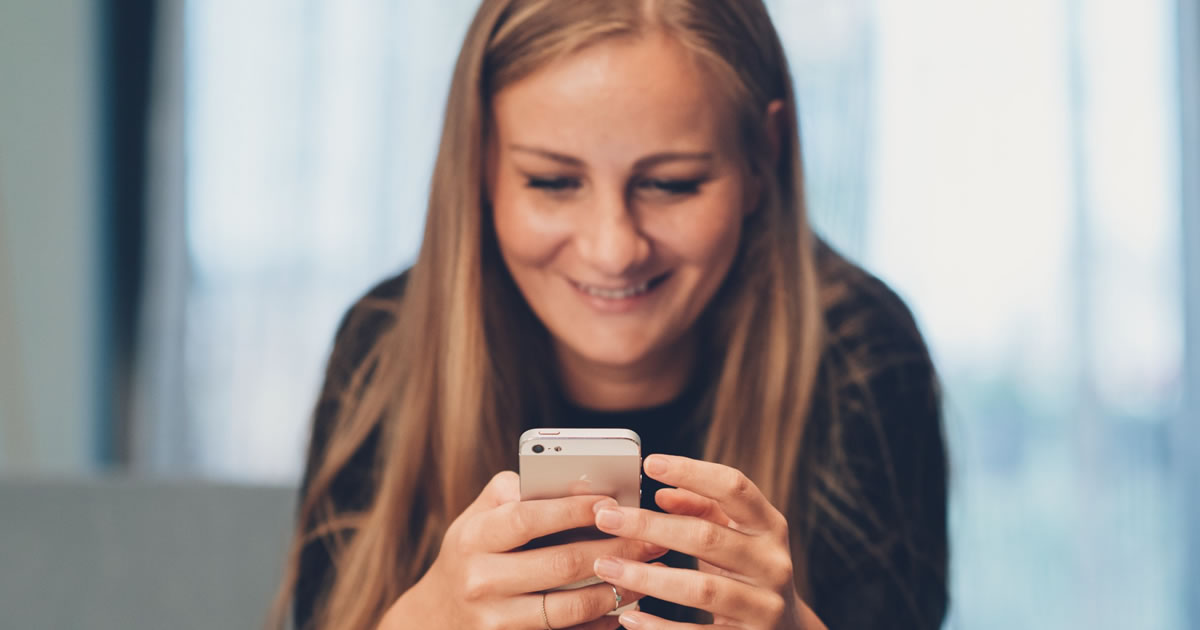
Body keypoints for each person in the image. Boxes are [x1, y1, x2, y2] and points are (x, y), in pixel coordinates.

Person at [269, 1, 948, 628]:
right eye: (554, 182)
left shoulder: (858, 354)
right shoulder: (388, 344)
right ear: (478, 164)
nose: (613, 249)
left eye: (671, 184)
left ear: (762, 157)